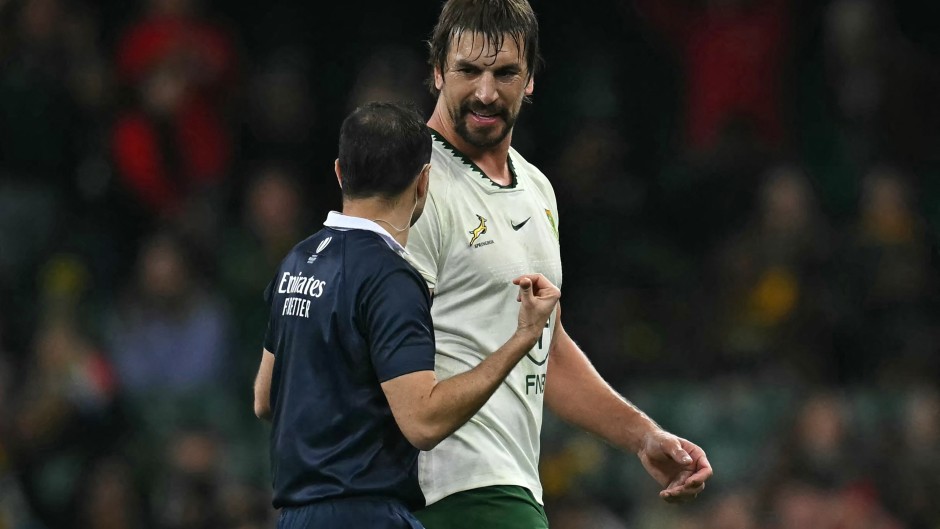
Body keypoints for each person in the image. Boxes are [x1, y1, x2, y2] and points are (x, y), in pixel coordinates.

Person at [404, 1, 714, 527]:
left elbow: (548, 348)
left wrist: (642, 435)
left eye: (505, 73)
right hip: (443, 489)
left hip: (512, 483)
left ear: (530, 80)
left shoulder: (537, 188)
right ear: (436, 71)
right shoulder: (408, 182)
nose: (485, 92)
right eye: (468, 71)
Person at [252, 101, 561, 529]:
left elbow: (265, 399)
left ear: (340, 172)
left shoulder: (297, 261)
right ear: (423, 182)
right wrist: (521, 338)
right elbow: (423, 421)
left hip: (294, 517)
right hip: (366, 516)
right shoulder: (391, 277)